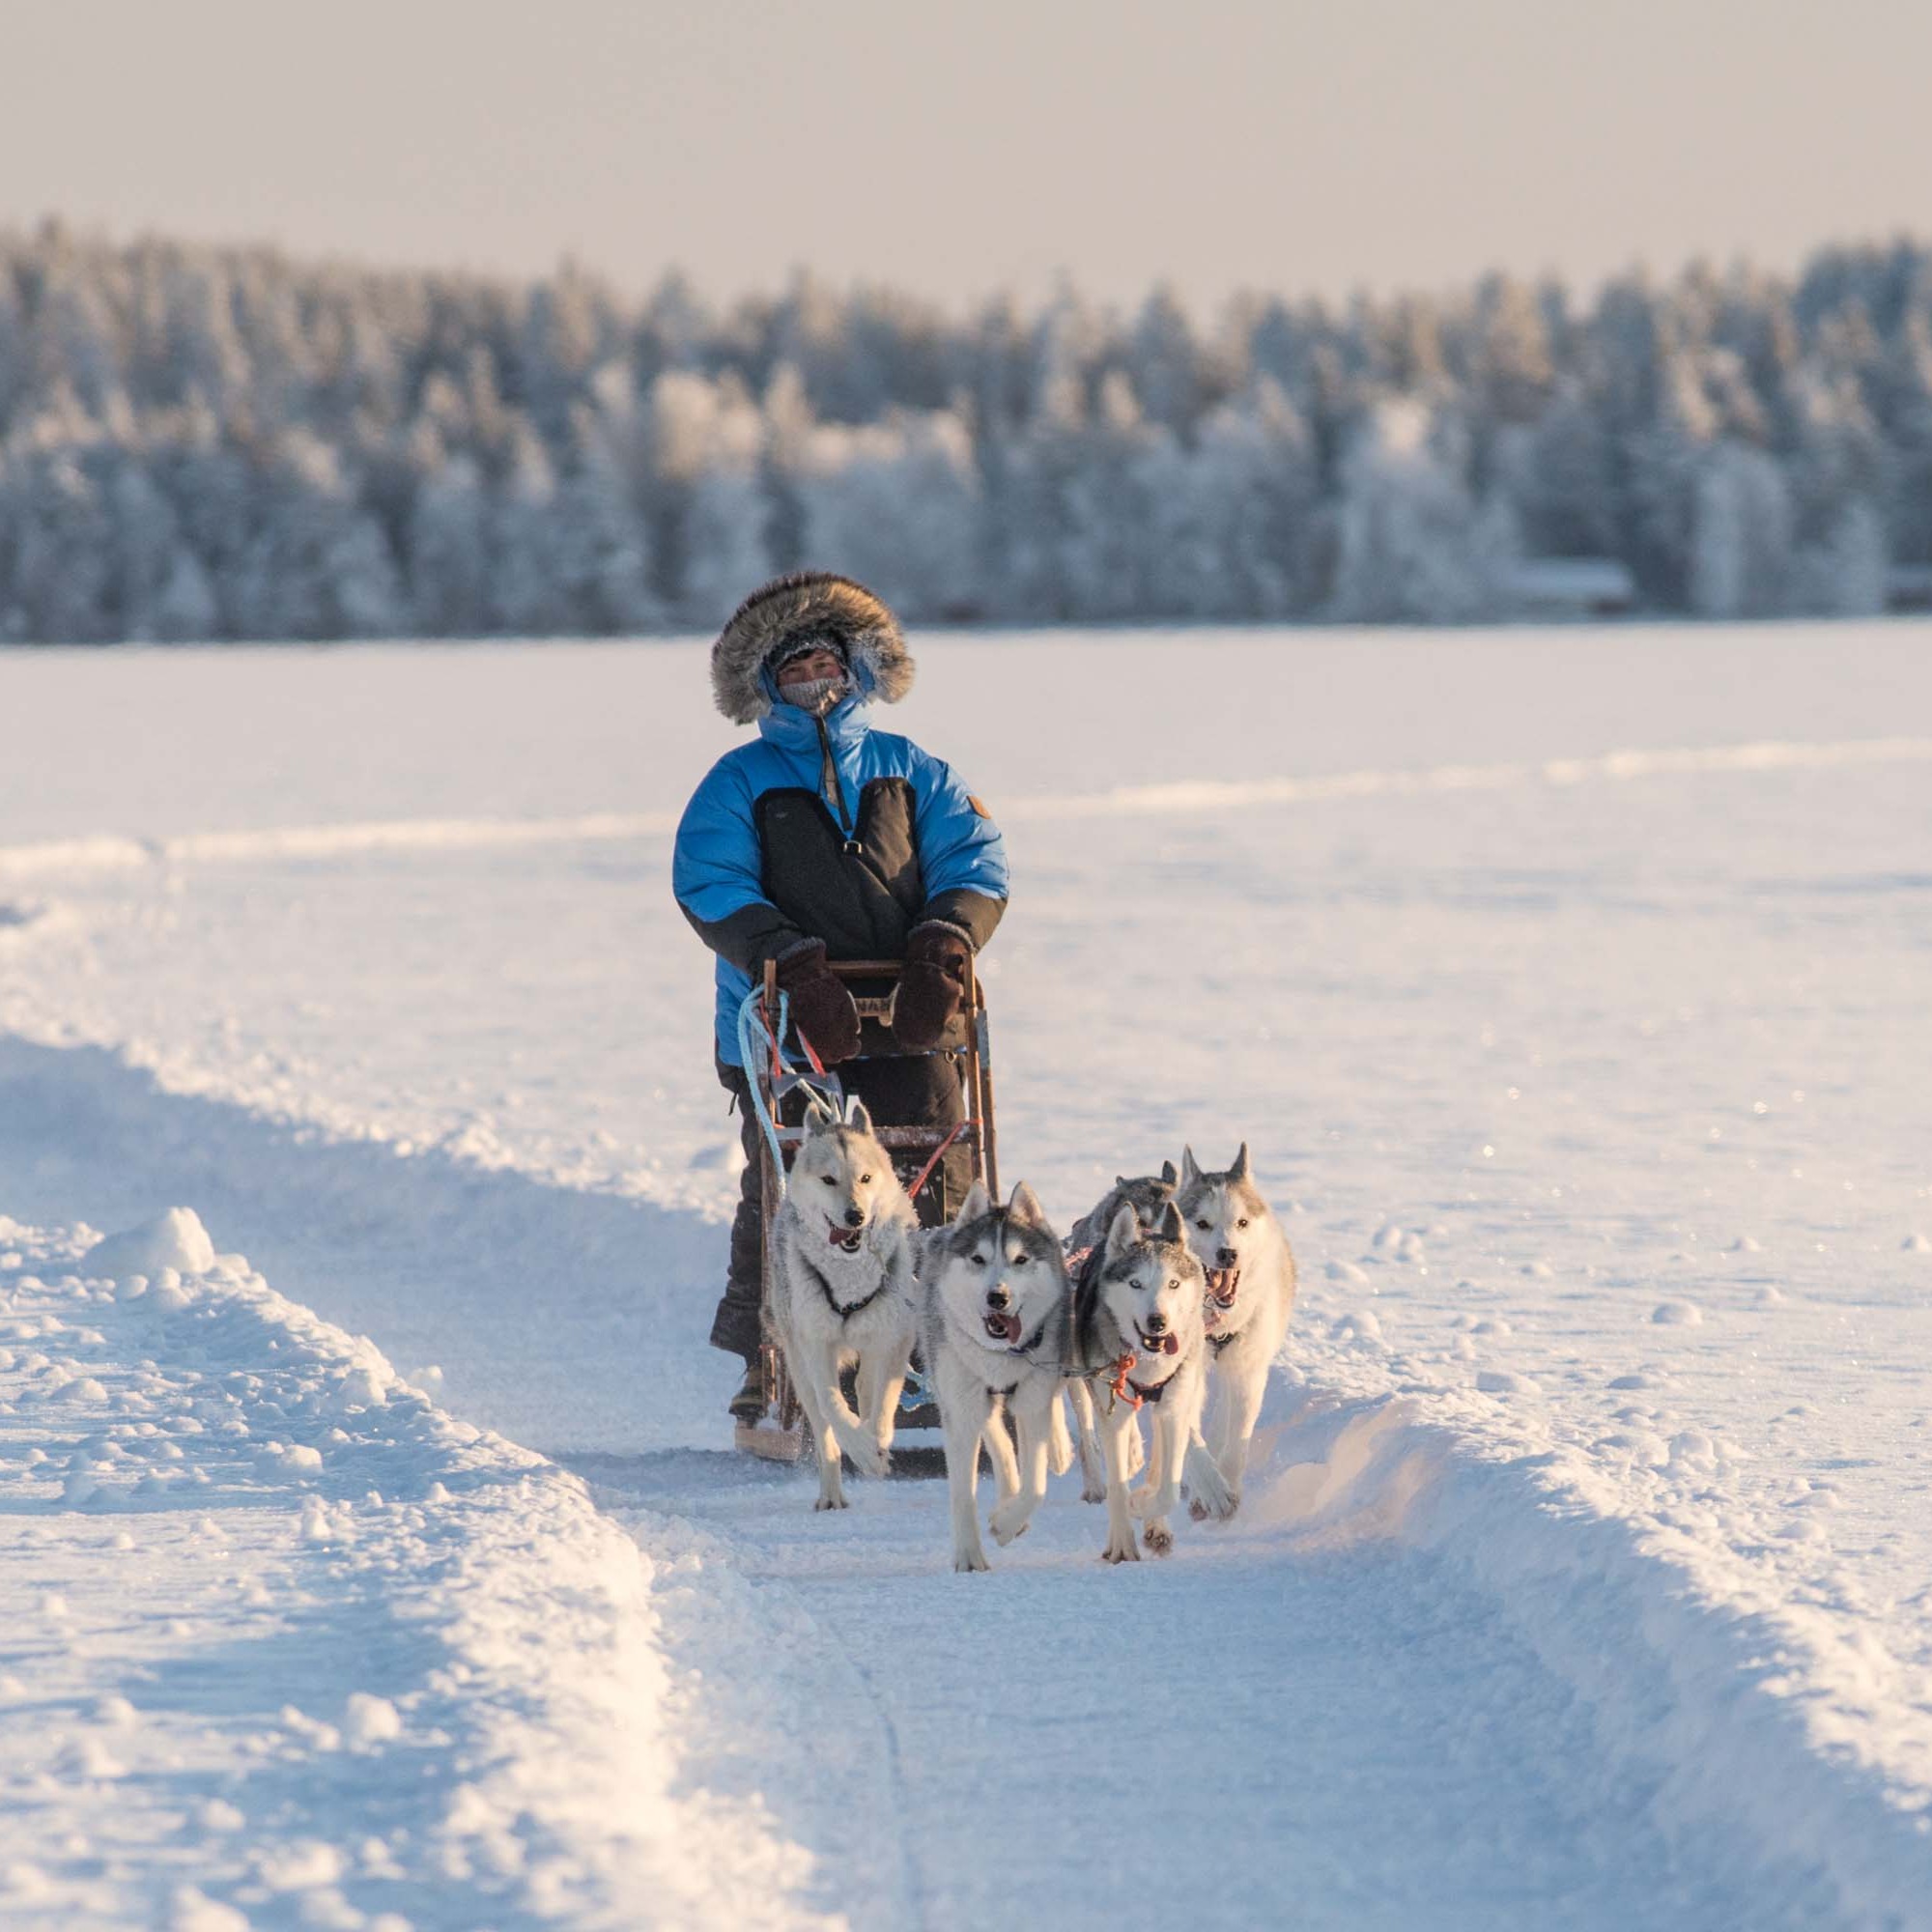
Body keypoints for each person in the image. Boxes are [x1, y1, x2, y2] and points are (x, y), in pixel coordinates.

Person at [672, 572, 1010, 1420]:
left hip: (912, 1014)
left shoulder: (914, 769)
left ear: (858, 669)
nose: (815, 682)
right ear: (766, 685)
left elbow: (976, 860)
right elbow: (708, 881)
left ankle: (938, 1348)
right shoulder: (737, 781)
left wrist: (946, 941)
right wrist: (787, 958)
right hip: (784, 1017)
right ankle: (771, 1353)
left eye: (828, 663)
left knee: (937, 1172)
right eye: (796, 671)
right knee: (794, 1185)